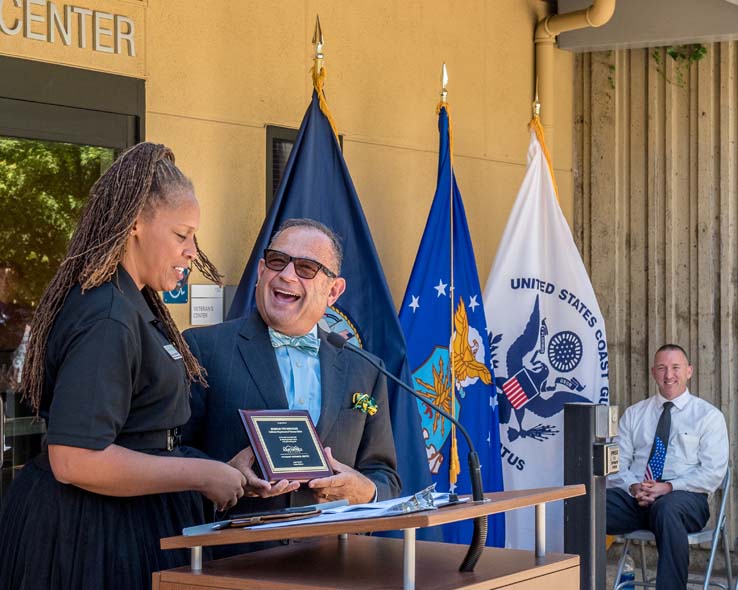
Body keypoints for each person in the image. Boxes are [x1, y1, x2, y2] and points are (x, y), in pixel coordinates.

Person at [0, 143, 248, 590]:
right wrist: (202, 474)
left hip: (126, 521)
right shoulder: (107, 315)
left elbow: (143, 433)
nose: (193, 250)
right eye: (181, 235)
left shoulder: (133, 303)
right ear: (135, 222)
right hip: (91, 538)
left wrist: (221, 468)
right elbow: (75, 459)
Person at [182, 218, 401, 527]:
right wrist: (221, 475)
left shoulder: (366, 369)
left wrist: (366, 491)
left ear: (333, 291)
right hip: (233, 559)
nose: (286, 275)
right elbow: (172, 452)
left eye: (306, 268)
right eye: (277, 261)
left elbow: (385, 476)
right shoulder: (203, 348)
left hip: (336, 560)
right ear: (260, 271)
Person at [606, 344, 728, 590]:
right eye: (662, 368)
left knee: (666, 508)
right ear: (653, 372)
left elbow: (713, 473)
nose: (669, 375)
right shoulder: (634, 414)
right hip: (637, 498)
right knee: (587, 505)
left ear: (689, 371)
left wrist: (669, 487)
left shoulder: (708, 416)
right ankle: (579, 581)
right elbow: (615, 464)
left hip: (685, 500)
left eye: (675, 368)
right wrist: (634, 486)